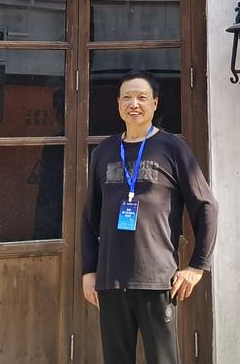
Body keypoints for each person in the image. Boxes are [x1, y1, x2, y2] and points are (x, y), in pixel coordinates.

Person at [81, 69, 217, 364]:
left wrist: (197, 266)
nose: (134, 104)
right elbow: (90, 216)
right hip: (111, 279)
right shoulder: (104, 151)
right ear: (118, 104)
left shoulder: (173, 148)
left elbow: (206, 206)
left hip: (156, 279)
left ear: (155, 103)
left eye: (142, 97)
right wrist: (89, 270)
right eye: (127, 98)